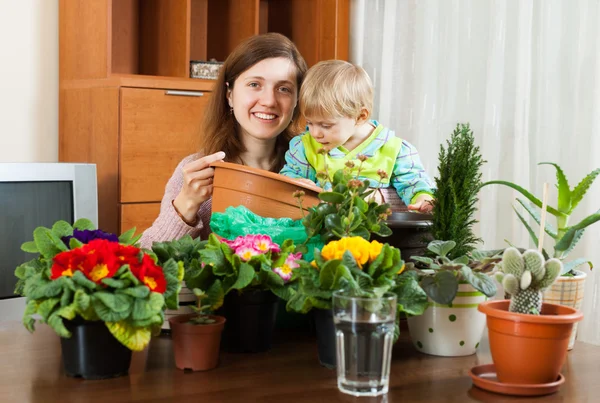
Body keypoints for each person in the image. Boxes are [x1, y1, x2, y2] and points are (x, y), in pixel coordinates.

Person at [140, 33, 308, 249]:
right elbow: (146, 256)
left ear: (296, 100)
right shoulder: (196, 173)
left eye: (284, 89)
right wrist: (186, 204)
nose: (269, 101)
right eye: (255, 84)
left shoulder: (314, 166)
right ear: (229, 94)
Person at [279, 60, 435, 212]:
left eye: (326, 125)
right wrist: (295, 183)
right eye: (310, 122)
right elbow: (288, 179)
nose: (315, 133)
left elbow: (414, 182)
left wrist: (423, 200)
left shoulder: (396, 150)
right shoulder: (304, 146)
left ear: (360, 116)